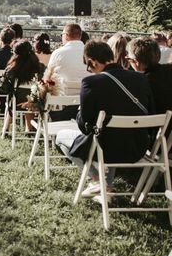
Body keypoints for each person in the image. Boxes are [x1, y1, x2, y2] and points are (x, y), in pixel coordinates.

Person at [55, 41, 154, 200]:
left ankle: (95, 179)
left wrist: (80, 111)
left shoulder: (91, 83)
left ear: (93, 61)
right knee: (109, 134)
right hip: (138, 147)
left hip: (107, 149)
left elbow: (84, 127)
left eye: (89, 66)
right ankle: (105, 187)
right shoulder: (140, 79)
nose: (90, 70)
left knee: (61, 137)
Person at [44, 23, 90, 120]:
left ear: (66, 35)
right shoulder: (90, 52)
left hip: (63, 101)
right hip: (86, 100)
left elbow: (48, 77)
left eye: (62, 35)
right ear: (80, 36)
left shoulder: (58, 53)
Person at [126, 38, 172, 132]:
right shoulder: (168, 71)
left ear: (136, 61)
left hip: (157, 136)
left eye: (128, 59)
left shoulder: (139, 83)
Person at [0, 40, 46, 132]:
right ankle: (28, 129)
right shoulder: (40, 67)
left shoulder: (12, 69)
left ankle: (6, 128)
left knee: (14, 99)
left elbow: (3, 87)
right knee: (29, 96)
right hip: (35, 102)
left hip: (17, 101)